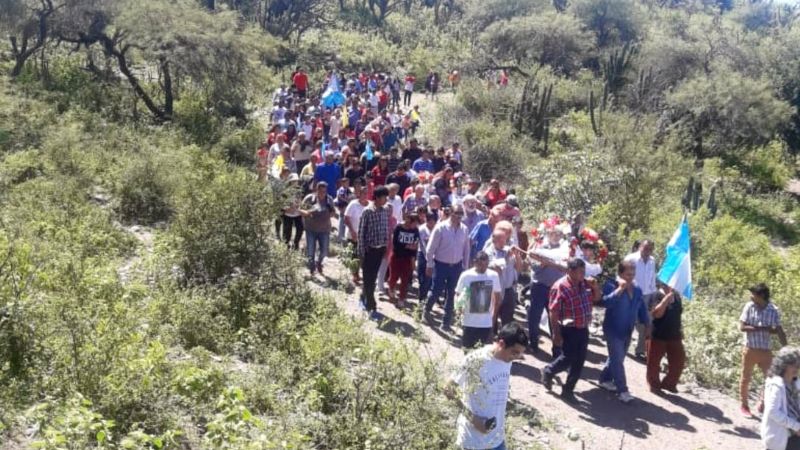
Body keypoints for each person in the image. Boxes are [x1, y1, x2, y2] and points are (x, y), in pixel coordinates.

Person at [444, 323, 528, 450]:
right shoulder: (476, 359)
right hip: (472, 440)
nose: (516, 358)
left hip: (497, 439)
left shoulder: (507, 360)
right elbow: (448, 389)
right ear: (501, 344)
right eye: (514, 353)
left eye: (519, 354)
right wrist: (474, 419)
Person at [540, 258, 601, 403]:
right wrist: (555, 333)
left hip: (583, 327)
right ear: (570, 271)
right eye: (580, 272)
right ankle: (549, 371)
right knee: (568, 357)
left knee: (579, 360)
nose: (583, 274)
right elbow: (553, 311)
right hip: (568, 328)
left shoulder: (585, 284)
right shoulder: (560, 286)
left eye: (583, 271)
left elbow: (597, 298)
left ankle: (568, 390)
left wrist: (595, 287)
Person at [597, 261, 651, 403]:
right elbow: (605, 303)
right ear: (620, 273)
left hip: (628, 330)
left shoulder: (637, 289)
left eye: (633, 274)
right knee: (617, 359)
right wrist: (619, 290)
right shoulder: (611, 285)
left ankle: (604, 379)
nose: (630, 277)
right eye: (628, 274)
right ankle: (623, 391)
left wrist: (647, 324)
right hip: (613, 329)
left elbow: (642, 309)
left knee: (617, 358)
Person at [740, 283, 789, 417]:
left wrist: (786, 349)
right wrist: (761, 328)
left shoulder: (773, 310)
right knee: (745, 379)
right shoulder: (749, 306)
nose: (751, 296)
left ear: (761, 296)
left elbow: (778, 330)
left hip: (765, 350)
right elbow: (742, 327)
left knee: (770, 378)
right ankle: (744, 405)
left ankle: (762, 403)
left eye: (753, 294)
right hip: (750, 348)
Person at [424, 204, 471, 332]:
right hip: (440, 265)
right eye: (457, 213)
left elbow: (466, 249)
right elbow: (430, 248)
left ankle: (445, 323)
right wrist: (429, 264)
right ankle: (426, 310)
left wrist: (465, 268)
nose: (459, 216)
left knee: (452, 295)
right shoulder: (441, 228)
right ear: (451, 213)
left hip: (456, 267)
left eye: (461, 213)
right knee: (436, 291)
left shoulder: (464, 229)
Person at [526, 222, 570, 355]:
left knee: (555, 320)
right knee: (535, 317)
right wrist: (543, 264)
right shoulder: (540, 248)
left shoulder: (565, 251)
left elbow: (566, 268)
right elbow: (534, 266)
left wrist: (549, 262)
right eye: (552, 233)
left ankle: (557, 349)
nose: (556, 236)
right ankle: (533, 343)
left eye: (558, 234)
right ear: (548, 234)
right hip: (539, 286)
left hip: (556, 290)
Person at [455, 251, 503, 349]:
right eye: (481, 264)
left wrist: (494, 317)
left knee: (483, 354)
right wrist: (458, 308)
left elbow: (497, 297)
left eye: (486, 264)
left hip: (486, 323)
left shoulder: (493, 276)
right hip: (469, 321)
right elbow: (458, 294)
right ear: (474, 262)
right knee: (467, 351)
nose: (483, 267)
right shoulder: (466, 275)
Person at [358, 186, 391, 320]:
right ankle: (372, 306)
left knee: (372, 278)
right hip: (369, 250)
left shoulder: (384, 211)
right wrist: (361, 252)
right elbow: (361, 233)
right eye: (384, 197)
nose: (386, 199)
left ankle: (363, 297)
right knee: (368, 279)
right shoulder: (367, 211)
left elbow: (385, 230)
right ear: (377, 197)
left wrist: (385, 248)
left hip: (380, 249)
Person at [646, 282, 685, 395]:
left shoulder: (677, 296)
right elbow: (656, 314)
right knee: (653, 362)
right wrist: (665, 300)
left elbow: (678, 314)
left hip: (674, 335)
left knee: (679, 360)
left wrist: (681, 330)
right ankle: (654, 384)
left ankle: (669, 384)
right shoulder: (656, 295)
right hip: (658, 334)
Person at [760, 347, 800, 450]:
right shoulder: (776, 384)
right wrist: (796, 426)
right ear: (783, 365)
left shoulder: (795, 382)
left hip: (794, 435)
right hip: (781, 436)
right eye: (793, 365)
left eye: (798, 365)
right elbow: (773, 411)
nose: (796, 368)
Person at [624, 239, 657, 359]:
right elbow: (621, 275)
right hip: (631, 293)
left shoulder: (652, 261)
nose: (647, 251)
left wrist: (654, 295)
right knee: (628, 320)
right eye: (645, 248)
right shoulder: (631, 258)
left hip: (647, 295)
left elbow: (652, 278)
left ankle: (640, 350)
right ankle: (623, 345)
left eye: (650, 249)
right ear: (640, 247)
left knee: (646, 322)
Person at [485, 229, 524, 326]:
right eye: (501, 240)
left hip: (509, 289)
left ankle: (504, 338)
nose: (504, 242)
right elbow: (497, 269)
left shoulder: (508, 250)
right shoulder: (488, 252)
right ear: (494, 240)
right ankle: (490, 336)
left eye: (505, 240)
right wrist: (507, 257)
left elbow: (519, 268)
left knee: (508, 318)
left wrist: (518, 256)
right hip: (494, 290)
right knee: (492, 316)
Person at [300, 181, 337, 276]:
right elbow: (301, 209)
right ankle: (312, 267)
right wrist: (308, 212)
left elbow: (333, 212)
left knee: (324, 251)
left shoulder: (329, 199)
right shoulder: (309, 199)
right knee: (310, 250)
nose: (322, 193)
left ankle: (319, 262)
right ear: (317, 190)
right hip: (311, 228)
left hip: (324, 229)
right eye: (321, 191)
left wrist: (330, 213)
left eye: (324, 191)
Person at [387, 214, 420, 308]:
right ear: (409, 221)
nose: (415, 226)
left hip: (408, 258)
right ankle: (391, 289)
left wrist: (413, 260)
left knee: (405, 280)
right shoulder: (398, 228)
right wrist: (407, 246)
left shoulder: (415, 230)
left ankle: (401, 299)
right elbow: (395, 244)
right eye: (414, 223)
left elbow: (415, 245)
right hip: (396, 257)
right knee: (393, 277)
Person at [344, 187, 369, 283]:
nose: (365, 195)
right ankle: (355, 274)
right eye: (363, 193)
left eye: (366, 194)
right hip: (353, 235)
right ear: (359, 194)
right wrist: (352, 231)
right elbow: (346, 218)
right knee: (354, 255)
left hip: (365, 237)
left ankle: (361, 273)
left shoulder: (370, 205)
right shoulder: (353, 204)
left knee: (363, 256)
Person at [417, 211, 438, 303]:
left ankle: (425, 299)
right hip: (422, 255)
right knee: (422, 278)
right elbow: (423, 245)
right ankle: (421, 299)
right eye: (429, 221)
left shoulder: (437, 229)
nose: (431, 223)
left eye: (433, 221)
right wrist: (428, 257)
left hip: (434, 256)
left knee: (429, 280)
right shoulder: (422, 229)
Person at [280, 173, 304, 250]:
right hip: (288, 214)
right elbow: (282, 203)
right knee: (287, 231)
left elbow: (301, 201)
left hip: (297, 213)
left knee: (300, 228)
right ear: (290, 182)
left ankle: (296, 243)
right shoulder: (285, 192)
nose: (295, 183)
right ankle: (286, 245)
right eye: (293, 181)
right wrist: (287, 209)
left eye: (296, 181)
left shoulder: (299, 191)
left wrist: (299, 206)